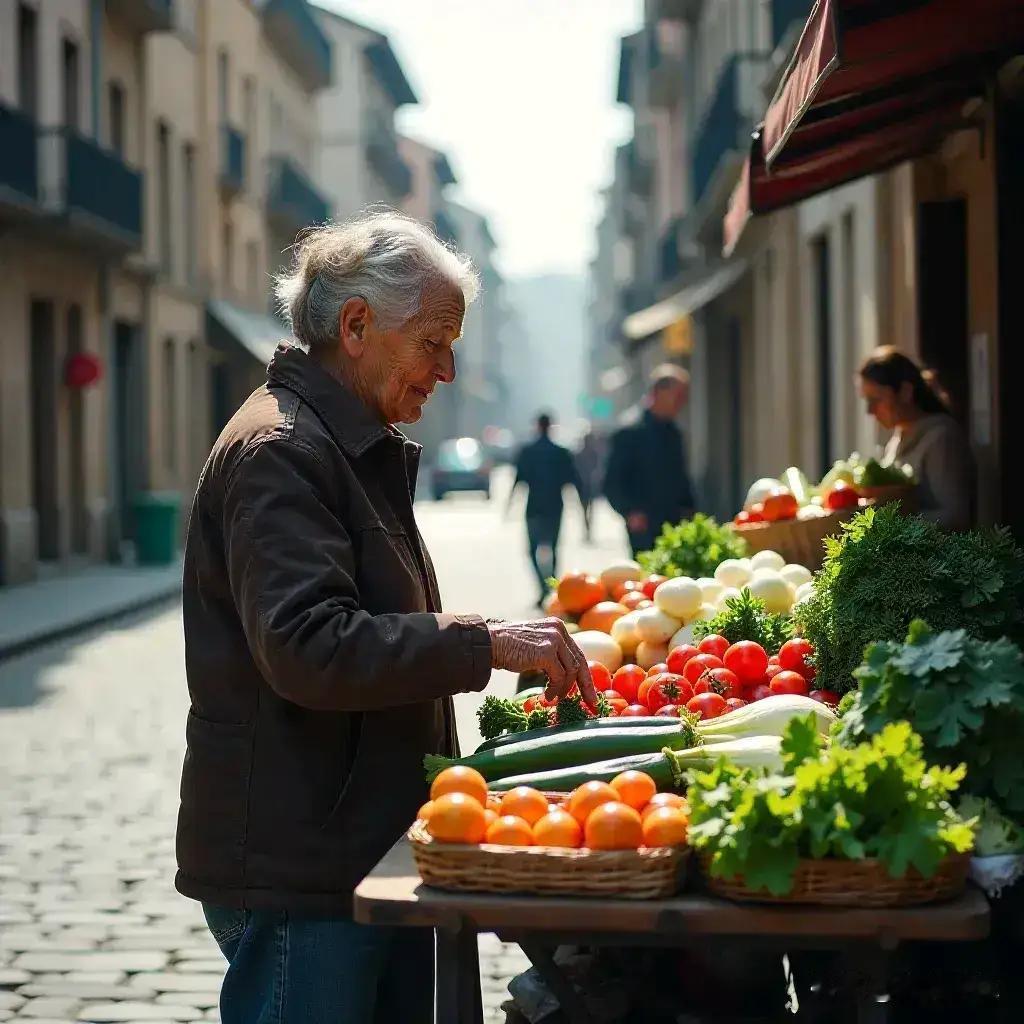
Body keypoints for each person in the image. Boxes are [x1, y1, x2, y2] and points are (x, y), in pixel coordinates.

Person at [176, 212, 596, 1024]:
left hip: (354, 846)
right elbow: (309, 645)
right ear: (357, 325)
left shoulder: (345, 442)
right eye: (433, 341)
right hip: (304, 865)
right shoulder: (284, 451)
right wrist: (484, 643)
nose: (448, 369)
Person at [858, 346, 975, 530]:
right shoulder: (898, 438)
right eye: (867, 401)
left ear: (905, 391)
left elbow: (955, 516)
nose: (870, 411)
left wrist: (892, 526)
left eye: (877, 399)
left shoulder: (941, 438)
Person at [603, 365, 697, 555]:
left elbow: (680, 478)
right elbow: (612, 482)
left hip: (675, 526)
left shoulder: (674, 433)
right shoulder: (630, 432)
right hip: (644, 529)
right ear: (659, 392)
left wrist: (690, 510)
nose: (683, 402)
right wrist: (629, 512)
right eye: (678, 395)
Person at [509, 413, 584, 608]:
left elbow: (518, 479)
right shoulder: (561, 452)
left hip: (534, 507)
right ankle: (551, 586)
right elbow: (574, 480)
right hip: (555, 507)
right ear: (550, 426)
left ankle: (544, 588)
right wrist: (582, 507)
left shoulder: (528, 451)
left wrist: (510, 504)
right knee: (553, 549)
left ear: (537, 426)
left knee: (532, 550)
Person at [574, 430, 604, 543]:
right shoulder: (586, 454)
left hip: (587, 486)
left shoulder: (590, 454)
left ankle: (588, 530)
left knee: (587, 510)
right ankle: (587, 529)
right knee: (586, 510)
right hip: (584, 486)